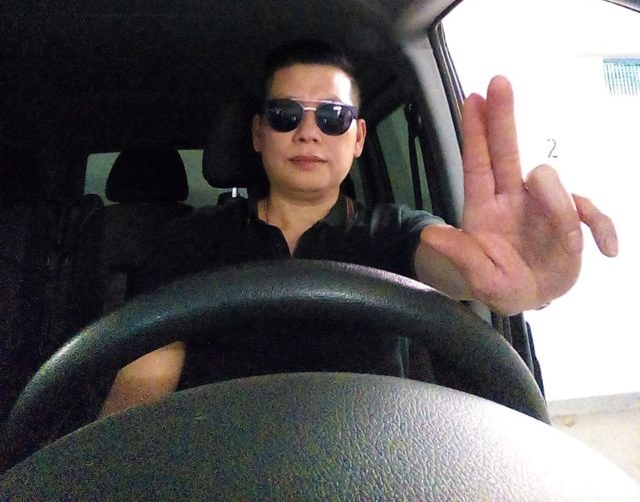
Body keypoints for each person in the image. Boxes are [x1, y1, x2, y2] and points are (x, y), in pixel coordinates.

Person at [100, 40, 618, 417]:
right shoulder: (190, 239)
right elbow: (143, 385)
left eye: (332, 117)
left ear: (359, 137)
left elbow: (451, 265)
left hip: (367, 460)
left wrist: (501, 271)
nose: (308, 132)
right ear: (259, 133)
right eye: (284, 114)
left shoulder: (392, 231)